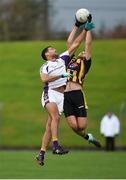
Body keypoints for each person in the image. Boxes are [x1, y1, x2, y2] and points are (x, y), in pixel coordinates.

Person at [36, 17, 94, 166]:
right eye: (51, 49)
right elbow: (44, 78)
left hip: (62, 95)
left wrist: (85, 29)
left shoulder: (62, 59)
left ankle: (41, 154)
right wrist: (61, 75)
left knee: (50, 125)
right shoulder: (45, 66)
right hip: (50, 92)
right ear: (47, 54)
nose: (54, 49)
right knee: (56, 118)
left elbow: (75, 43)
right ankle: (56, 146)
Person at [63, 17, 101, 148]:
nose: (83, 52)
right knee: (74, 126)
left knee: (82, 126)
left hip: (77, 94)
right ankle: (88, 137)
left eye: (85, 53)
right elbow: (70, 43)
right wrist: (77, 25)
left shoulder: (85, 63)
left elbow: (88, 45)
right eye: (82, 52)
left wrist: (88, 29)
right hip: (66, 95)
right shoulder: (70, 61)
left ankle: (87, 135)